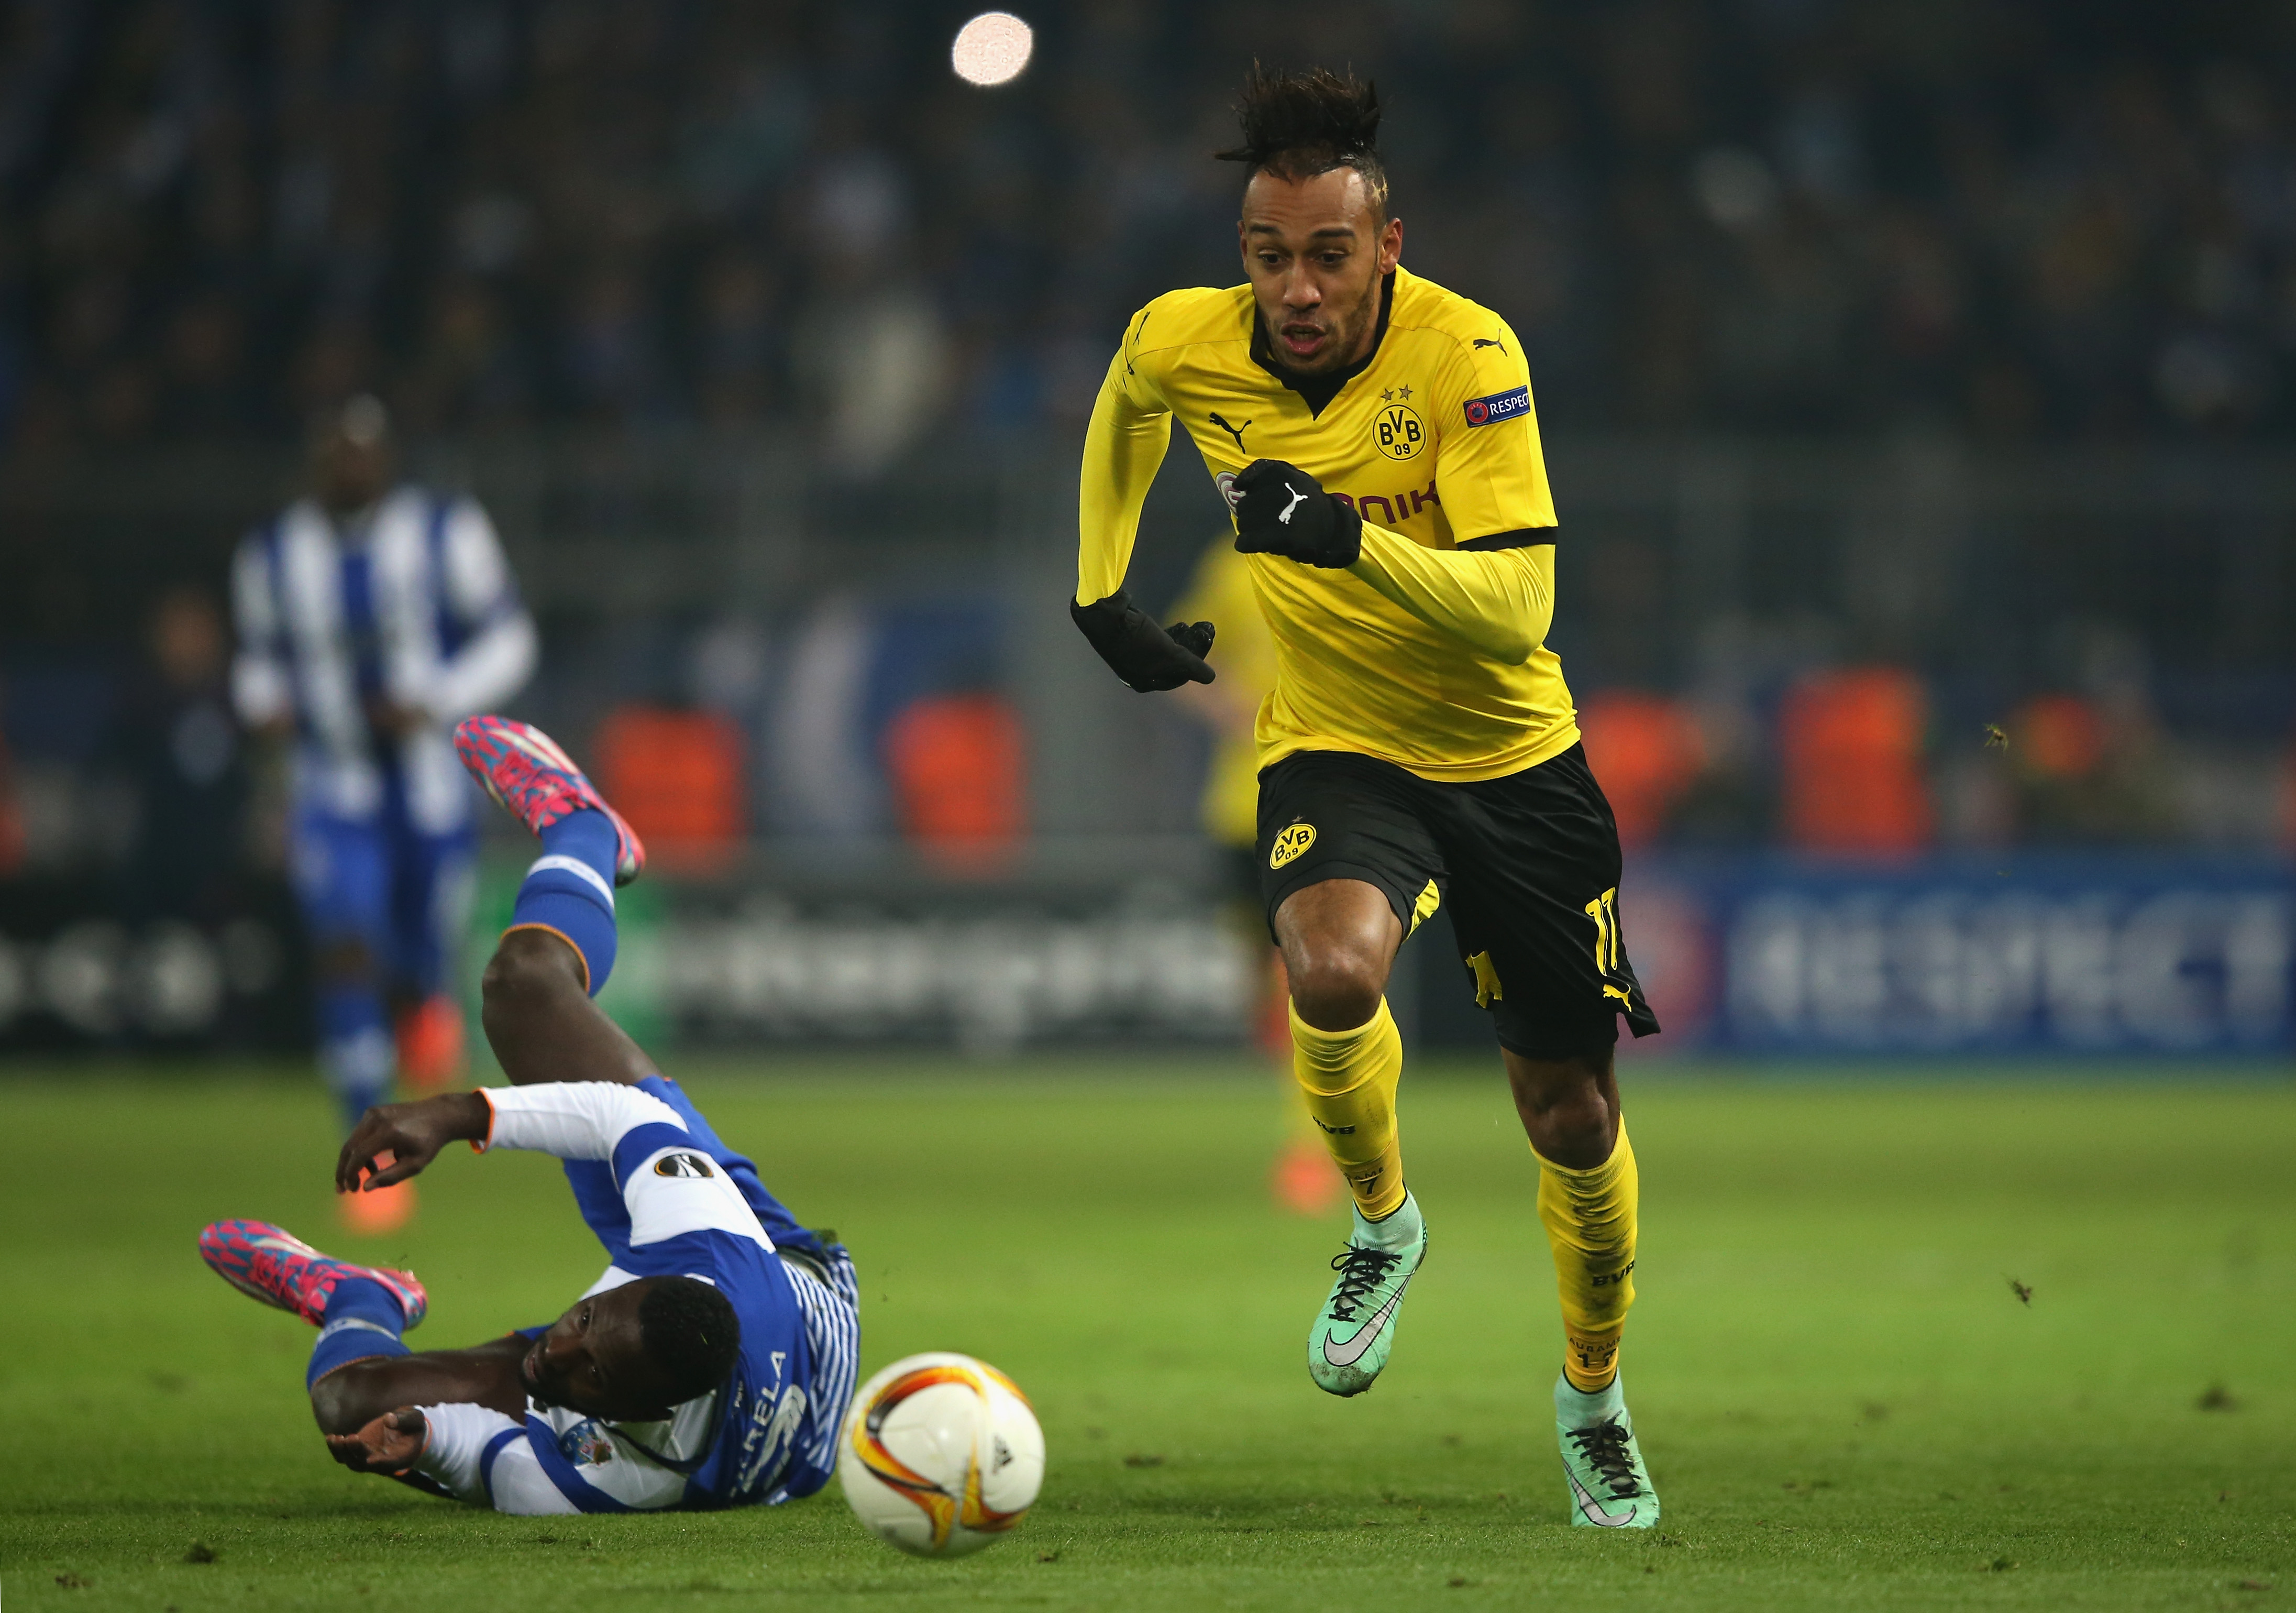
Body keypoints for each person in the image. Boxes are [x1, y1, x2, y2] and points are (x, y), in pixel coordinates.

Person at [1068, 68, 1662, 1528]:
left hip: (1512, 757)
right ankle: (1382, 1224)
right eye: (1268, 255)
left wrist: (1343, 538)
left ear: (1385, 247)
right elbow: (1130, 399)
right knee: (1328, 972)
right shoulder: (1188, 335)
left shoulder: (1468, 353)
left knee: (1569, 1113)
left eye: (1328, 256)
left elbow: (1519, 608)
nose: (1296, 288)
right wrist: (1099, 591)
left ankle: (1592, 1395)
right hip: (1337, 741)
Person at [198, 716, 859, 1514]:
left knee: (350, 1405)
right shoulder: (708, 1242)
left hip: (772, 1426)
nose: (559, 1351)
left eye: (592, 1374)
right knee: (523, 987)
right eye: (584, 1320)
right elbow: (619, 1116)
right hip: (784, 1271)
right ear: (648, 1273)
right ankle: (585, 829)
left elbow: (490, 1459)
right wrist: (458, 1114)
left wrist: (429, 1442)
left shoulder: (623, 1478)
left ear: (644, 1411)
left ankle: (358, 1296)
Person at [231, 395, 537, 1231]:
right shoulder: (273, 553)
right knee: (345, 949)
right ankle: (369, 1150)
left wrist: (435, 699)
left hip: (429, 789)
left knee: (420, 962)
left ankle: (424, 1004)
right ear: (317, 460)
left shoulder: (445, 529)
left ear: (388, 458)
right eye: (337, 450)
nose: (351, 465)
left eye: (363, 450)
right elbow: (257, 664)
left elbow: (511, 637)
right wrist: (263, 707)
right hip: (332, 790)